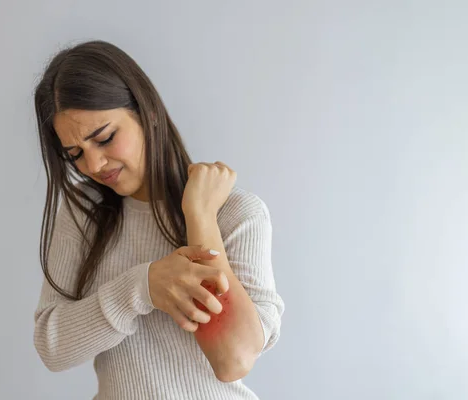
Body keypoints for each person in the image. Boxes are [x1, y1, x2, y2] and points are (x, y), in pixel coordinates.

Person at [32, 40, 285, 400]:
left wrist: (198, 216)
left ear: (147, 111)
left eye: (104, 138)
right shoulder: (82, 214)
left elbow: (233, 359)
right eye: (75, 154)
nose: (93, 165)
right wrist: (142, 288)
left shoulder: (235, 213)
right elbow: (52, 347)